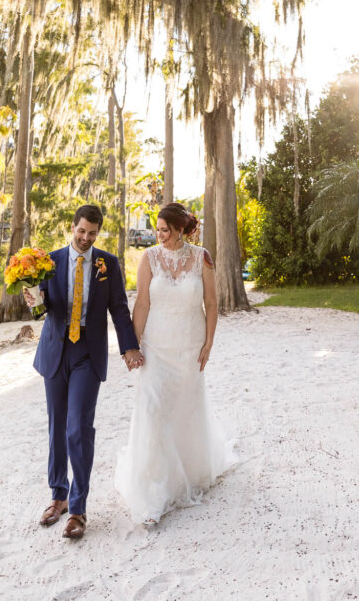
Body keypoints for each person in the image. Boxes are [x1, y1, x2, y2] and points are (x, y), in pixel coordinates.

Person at [24, 204, 143, 540]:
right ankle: (58, 496)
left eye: (92, 233)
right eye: (81, 231)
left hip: (87, 354)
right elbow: (41, 308)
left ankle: (78, 508)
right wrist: (32, 299)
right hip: (54, 351)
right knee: (57, 427)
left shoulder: (109, 264)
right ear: (72, 227)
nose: (86, 238)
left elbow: (119, 308)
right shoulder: (50, 261)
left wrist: (129, 346)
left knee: (78, 427)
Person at [115, 202, 235, 525]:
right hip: (156, 348)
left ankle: (185, 474)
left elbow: (211, 302)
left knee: (183, 410)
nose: (160, 236)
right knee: (153, 412)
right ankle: (153, 496)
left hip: (189, 347)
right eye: (158, 230)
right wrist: (131, 347)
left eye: (165, 231)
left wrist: (209, 342)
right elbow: (141, 303)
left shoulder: (202, 258)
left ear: (181, 229)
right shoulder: (149, 258)